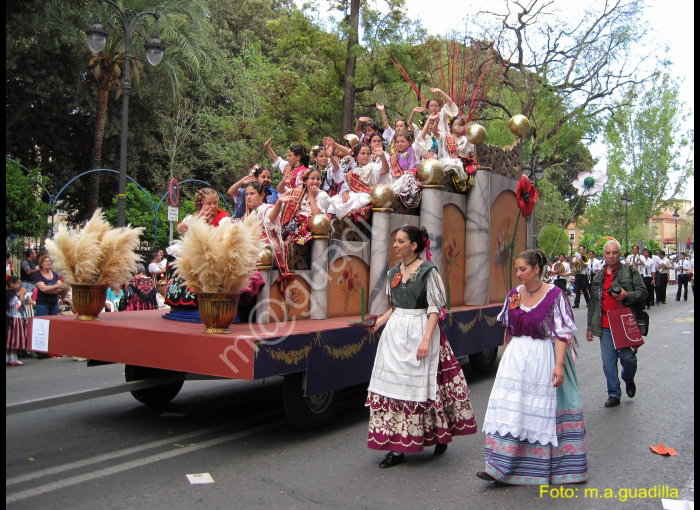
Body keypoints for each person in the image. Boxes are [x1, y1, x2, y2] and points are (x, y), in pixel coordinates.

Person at [365, 226, 477, 468]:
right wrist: (378, 323)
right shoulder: (394, 271)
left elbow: (435, 308)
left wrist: (426, 338)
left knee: (428, 388)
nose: (395, 245)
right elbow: (393, 307)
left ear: (414, 245)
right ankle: (397, 448)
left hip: (420, 329)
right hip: (396, 334)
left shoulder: (429, 271)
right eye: (395, 241)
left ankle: (438, 435)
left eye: (401, 241)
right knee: (395, 390)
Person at [477, 249, 587, 485]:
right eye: (516, 269)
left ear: (536, 270)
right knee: (511, 411)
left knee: (539, 411)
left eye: (522, 269)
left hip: (543, 358)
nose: (518, 273)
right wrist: (504, 359)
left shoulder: (555, 295)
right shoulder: (514, 295)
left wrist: (558, 366)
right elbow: (508, 329)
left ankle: (552, 468)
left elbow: (561, 334)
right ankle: (498, 466)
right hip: (516, 360)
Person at [586, 240, 647, 408]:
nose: (611, 256)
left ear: (619, 254)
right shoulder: (598, 276)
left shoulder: (630, 271)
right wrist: (590, 327)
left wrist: (628, 295)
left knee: (628, 359)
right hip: (605, 324)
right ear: (603, 255)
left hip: (624, 323)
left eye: (614, 253)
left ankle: (628, 378)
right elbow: (593, 304)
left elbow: (643, 293)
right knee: (608, 363)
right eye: (608, 253)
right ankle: (614, 393)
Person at [6, 276, 28, 366]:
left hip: (8, 318)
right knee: (15, 338)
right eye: (18, 283)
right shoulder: (11, 295)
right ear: (12, 284)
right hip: (15, 318)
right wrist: (22, 296)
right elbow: (17, 306)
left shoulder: (10, 294)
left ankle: (7, 358)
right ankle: (14, 357)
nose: (19, 285)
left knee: (8, 338)